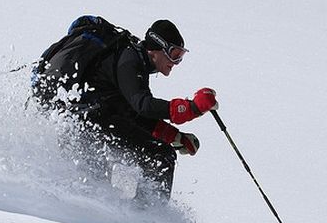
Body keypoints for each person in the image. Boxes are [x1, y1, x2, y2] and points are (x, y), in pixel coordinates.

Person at [38, 19, 218, 202]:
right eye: (174, 54)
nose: (176, 62)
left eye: (181, 56)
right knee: (160, 156)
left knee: (94, 187)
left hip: (86, 123)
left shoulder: (134, 60)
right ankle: (149, 218)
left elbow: (130, 111)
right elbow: (143, 105)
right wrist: (193, 108)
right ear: (157, 48)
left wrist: (175, 137)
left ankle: (132, 220)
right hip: (85, 123)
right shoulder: (129, 60)